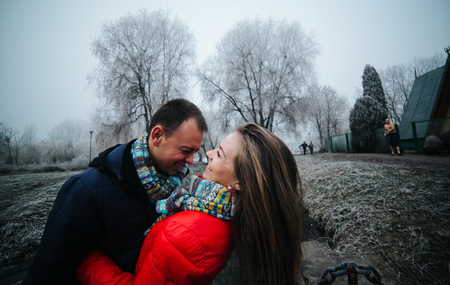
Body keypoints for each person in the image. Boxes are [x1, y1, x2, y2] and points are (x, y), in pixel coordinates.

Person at [77, 123, 304, 285]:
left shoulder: (186, 233)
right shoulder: (232, 216)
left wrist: (88, 262)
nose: (208, 153)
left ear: (241, 181)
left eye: (220, 154)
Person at [23, 99, 208, 285]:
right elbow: (50, 272)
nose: (191, 161)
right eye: (186, 150)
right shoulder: (85, 190)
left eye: (195, 152)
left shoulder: (175, 189)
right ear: (157, 136)